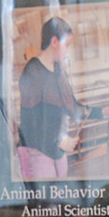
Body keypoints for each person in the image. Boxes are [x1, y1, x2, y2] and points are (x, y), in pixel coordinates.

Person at [16, 18, 87, 179]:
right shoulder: (33, 71)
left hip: (58, 153)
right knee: (46, 202)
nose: (67, 50)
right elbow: (30, 123)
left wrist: (102, 111)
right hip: (39, 152)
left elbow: (73, 107)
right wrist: (60, 140)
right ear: (54, 42)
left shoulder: (58, 71)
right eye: (66, 45)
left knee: (59, 200)